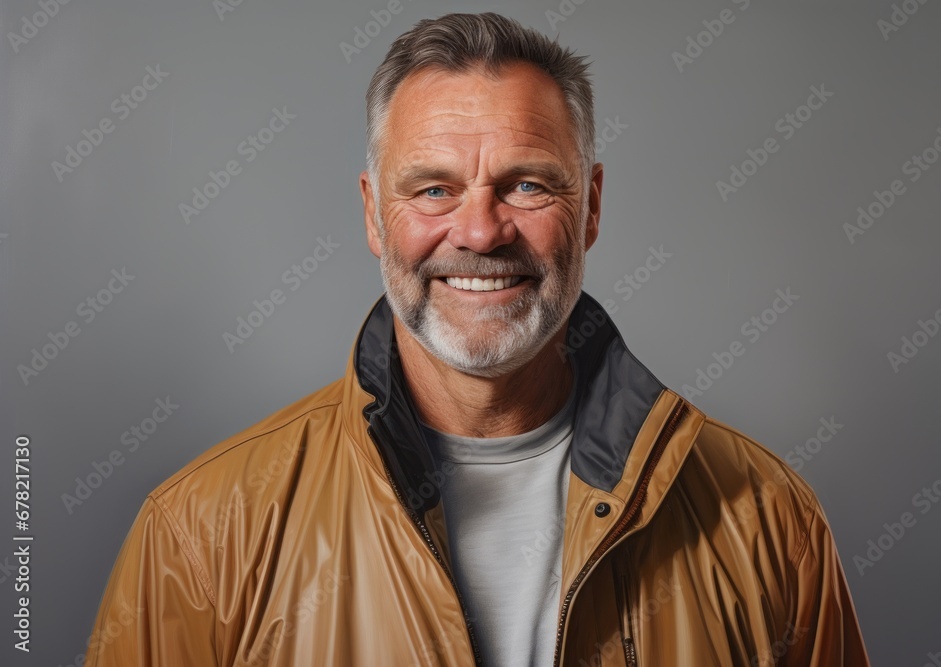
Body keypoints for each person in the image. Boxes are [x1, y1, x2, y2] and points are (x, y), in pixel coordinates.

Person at [85, 12, 870, 666]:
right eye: (434, 189)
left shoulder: (768, 519)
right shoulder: (198, 533)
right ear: (370, 213)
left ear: (591, 204)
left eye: (527, 183)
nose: (481, 230)